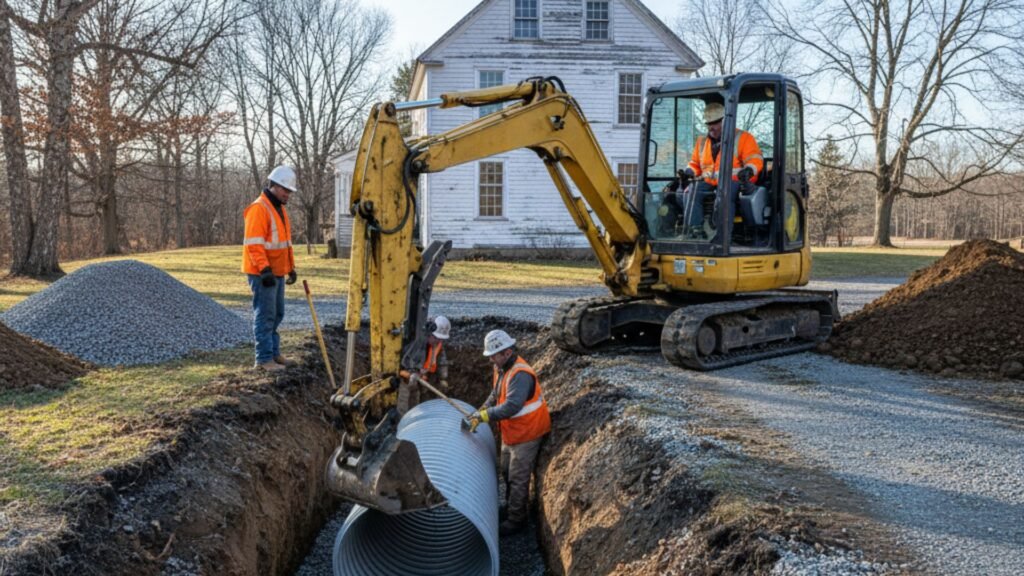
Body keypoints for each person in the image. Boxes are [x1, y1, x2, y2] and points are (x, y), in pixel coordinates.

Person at [468, 329, 551, 536]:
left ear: (506, 352)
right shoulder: (502, 367)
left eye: (493, 356)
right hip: (511, 432)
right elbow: (495, 395)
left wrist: (484, 417)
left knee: (518, 477)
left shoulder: (520, 374)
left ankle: (517, 520)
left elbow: (512, 406)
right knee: (506, 471)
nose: (491, 360)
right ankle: (513, 506)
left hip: (528, 433)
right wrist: (478, 412)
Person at [669, 102, 764, 238]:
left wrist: (749, 170)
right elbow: (695, 163)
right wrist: (689, 172)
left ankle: (722, 235)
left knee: (724, 192)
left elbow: (754, 159)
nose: (711, 127)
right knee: (690, 191)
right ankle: (696, 231)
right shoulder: (702, 142)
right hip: (709, 181)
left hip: (734, 181)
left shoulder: (743, 138)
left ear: (725, 120)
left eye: (714, 123)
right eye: (708, 123)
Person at [242, 165, 299, 372]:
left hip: (277, 271)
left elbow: (284, 243)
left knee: (277, 314)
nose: (288, 194)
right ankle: (264, 359)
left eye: (290, 191)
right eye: (285, 190)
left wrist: (290, 267)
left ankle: (274, 353)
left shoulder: (279, 209)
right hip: (262, 273)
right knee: (265, 315)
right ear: (274, 186)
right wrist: (264, 269)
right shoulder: (259, 208)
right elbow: (253, 244)